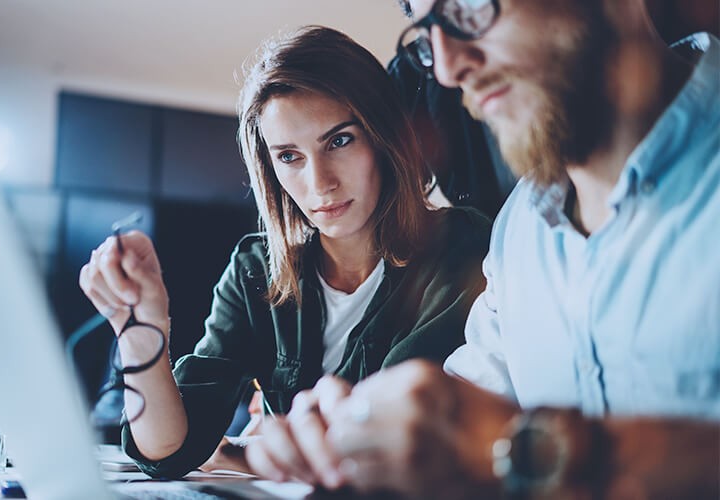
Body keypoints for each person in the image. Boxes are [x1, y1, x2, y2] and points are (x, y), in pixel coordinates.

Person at [246, 0, 720, 497]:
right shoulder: (519, 231)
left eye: (469, 7)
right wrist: (354, 438)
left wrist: (541, 449)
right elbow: (460, 416)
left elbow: (493, 441)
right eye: (429, 33)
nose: (449, 70)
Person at [78, 25, 491, 478]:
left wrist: (247, 454)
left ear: (383, 137)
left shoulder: (457, 246)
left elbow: (382, 429)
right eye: (290, 156)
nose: (320, 183)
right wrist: (140, 328)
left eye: (339, 140)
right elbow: (168, 451)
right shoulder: (256, 269)